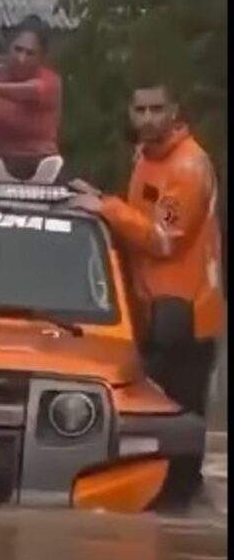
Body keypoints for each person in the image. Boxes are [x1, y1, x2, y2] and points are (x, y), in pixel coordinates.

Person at [69, 78, 224, 418]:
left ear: (174, 112)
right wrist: (102, 203)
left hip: (186, 313)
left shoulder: (187, 166)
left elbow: (164, 239)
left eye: (157, 109)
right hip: (153, 308)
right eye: (140, 110)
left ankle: (185, 474)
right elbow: (139, 219)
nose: (148, 118)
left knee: (178, 420)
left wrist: (107, 208)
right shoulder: (146, 157)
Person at [0, 15, 62, 180]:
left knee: (52, 167)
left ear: (42, 57)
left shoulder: (51, 80)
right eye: (18, 49)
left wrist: (0, 90)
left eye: (30, 53)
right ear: (9, 47)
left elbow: (34, 90)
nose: (21, 59)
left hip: (40, 161)